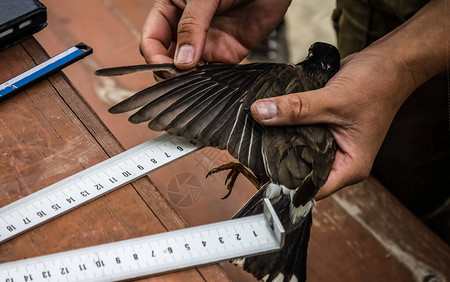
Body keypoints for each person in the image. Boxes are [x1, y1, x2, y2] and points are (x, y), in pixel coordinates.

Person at [139, 0, 449, 242]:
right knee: (367, 123)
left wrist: (400, 69)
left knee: (408, 159)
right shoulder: (324, 86)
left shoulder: (285, 79)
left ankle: (425, 231)